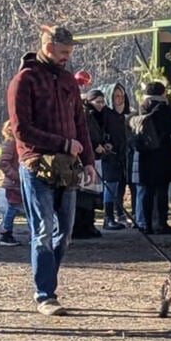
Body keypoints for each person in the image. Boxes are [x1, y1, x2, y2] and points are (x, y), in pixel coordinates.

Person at [7, 24, 96, 316]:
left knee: (65, 232)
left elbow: (80, 124)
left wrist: (90, 162)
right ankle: (45, 294)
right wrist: (62, 143)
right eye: (63, 52)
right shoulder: (24, 81)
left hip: (68, 166)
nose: (66, 58)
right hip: (36, 166)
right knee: (43, 230)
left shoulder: (69, 81)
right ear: (47, 47)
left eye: (69, 53)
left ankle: (48, 281)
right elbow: (21, 130)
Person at [135, 81, 171, 235]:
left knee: (147, 190)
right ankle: (161, 223)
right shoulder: (165, 110)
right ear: (162, 93)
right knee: (162, 191)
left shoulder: (142, 108)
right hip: (162, 155)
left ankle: (146, 224)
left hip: (145, 154)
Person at [72, 89, 106, 238]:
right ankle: (81, 226)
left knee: (90, 194)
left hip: (92, 158)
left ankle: (87, 225)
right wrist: (95, 144)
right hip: (84, 159)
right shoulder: (86, 114)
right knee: (84, 194)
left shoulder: (95, 115)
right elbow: (85, 135)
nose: (101, 105)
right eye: (97, 102)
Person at [99, 81, 131, 226]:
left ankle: (119, 213)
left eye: (121, 96)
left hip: (122, 155)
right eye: (116, 96)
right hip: (110, 155)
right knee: (110, 185)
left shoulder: (123, 116)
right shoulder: (106, 114)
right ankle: (108, 217)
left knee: (120, 186)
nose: (120, 99)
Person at [0, 120, 23, 246]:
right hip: (14, 182)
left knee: (17, 208)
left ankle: (6, 232)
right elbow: (3, 162)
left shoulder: (16, 142)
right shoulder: (10, 142)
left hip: (17, 182)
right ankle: (5, 233)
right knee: (13, 208)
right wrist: (16, 176)